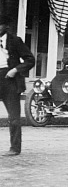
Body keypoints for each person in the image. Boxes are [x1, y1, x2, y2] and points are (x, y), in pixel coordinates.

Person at [0, 22, 36, 156]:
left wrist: (15, 70)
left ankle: (15, 148)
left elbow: (30, 60)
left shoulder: (15, 41)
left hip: (10, 80)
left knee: (14, 117)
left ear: (5, 26)